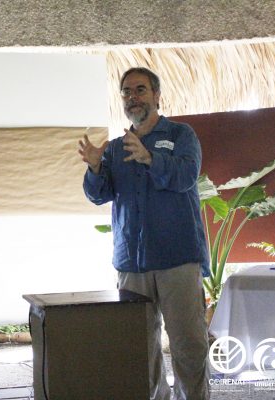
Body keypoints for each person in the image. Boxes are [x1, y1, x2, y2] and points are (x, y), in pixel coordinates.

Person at [78, 67, 210, 400]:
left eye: (140, 90)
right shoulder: (115, 148)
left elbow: (185, 177)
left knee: (189, 345)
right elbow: (98, 195)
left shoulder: (182, 135)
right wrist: (95, 168)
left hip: (177, 259)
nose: (132, 97)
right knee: (140, 350)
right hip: (132, 264)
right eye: (126, 92)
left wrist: (150, 158)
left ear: (156, 95)